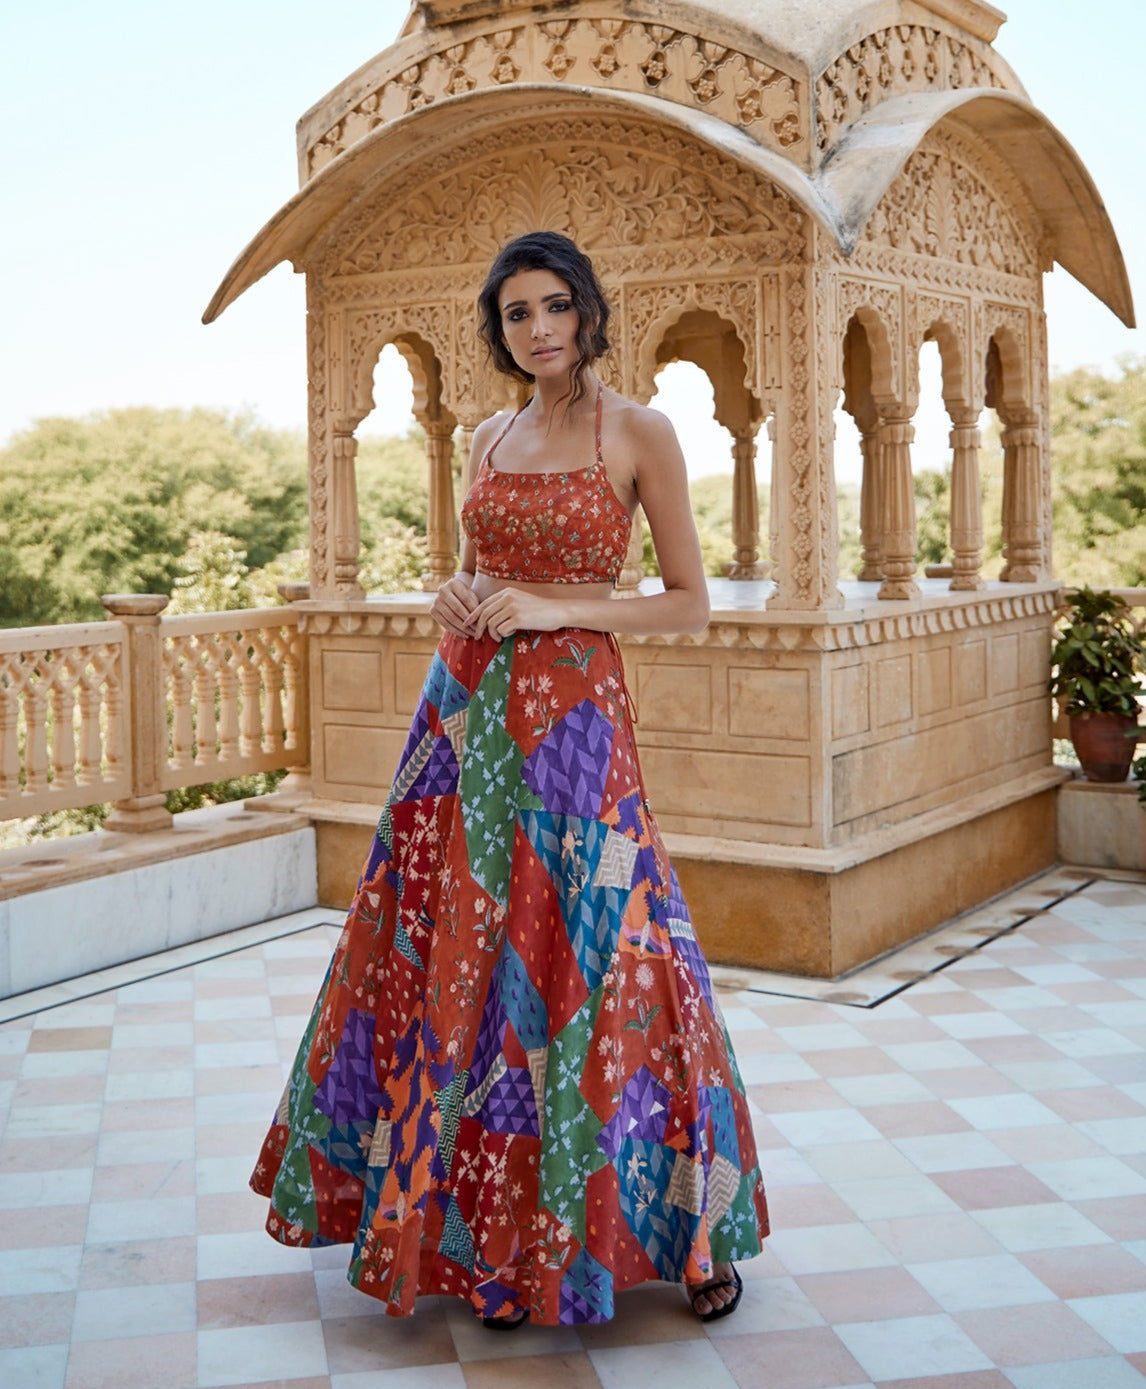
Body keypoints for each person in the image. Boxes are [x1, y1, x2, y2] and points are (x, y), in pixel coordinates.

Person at [251, 231, 770, 1329]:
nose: (536, 330)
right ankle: (486, 1248)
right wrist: (461, 591)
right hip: (467, 714)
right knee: (463, 955)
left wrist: (556, 605)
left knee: (612, 952)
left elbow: (688, 601)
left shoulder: (638, 430)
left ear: (586, 311)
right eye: (515, 314)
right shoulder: (487, 434)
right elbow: (481, 566)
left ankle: (690, 1231)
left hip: (576, 720)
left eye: (552, 308)